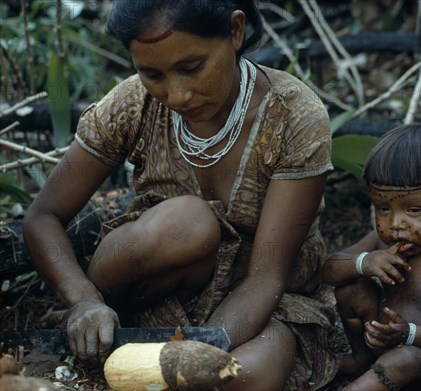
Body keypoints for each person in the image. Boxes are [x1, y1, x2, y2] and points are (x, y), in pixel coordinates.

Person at [23, 1, 340, 389]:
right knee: (186, 223)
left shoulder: (293, 117)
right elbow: (43, 217)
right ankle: (106, 333)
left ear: (235, 32)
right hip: (149, 289)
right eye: (151, 73)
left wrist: (196, 353)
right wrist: (83, 300)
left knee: (247, 376)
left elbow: (265, 279)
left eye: (192, 69)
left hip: (257, 308)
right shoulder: (132, 104)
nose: (176, 95)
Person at [322, 124, 421, 390]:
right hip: (385, 342)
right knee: (351, 287)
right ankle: (361, 358)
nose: (396, 223)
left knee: (404, 359)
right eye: (383, 208)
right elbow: (329, 271)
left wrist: (409, 334)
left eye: (413, 209)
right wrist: (366, 262)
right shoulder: (382, 240)